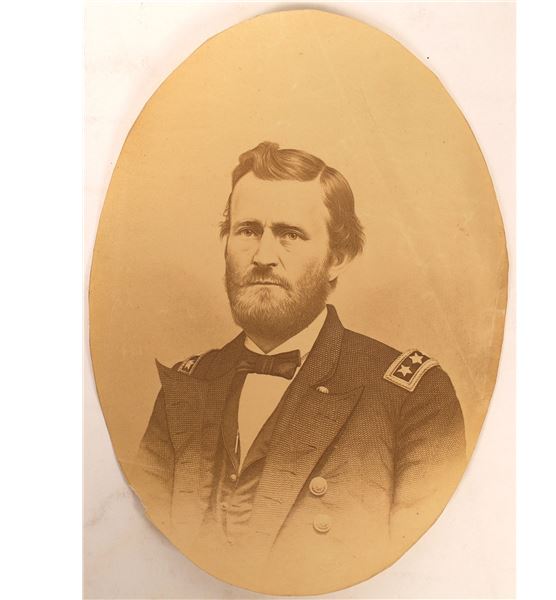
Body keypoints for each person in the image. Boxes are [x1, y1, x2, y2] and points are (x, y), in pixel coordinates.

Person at [132, 141, 466, 592]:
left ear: (337, 258)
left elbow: (423, 580)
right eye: (247, 230)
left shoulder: (412, 397)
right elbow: (142, 563)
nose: (263, 256)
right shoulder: (185, 389)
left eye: (289, 234)